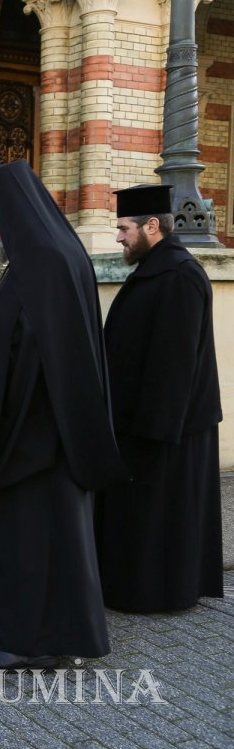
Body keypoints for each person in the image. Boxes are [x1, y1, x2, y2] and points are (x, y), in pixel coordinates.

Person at [0, 159, 127, 670]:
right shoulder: (57, 253)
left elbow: (33, 349)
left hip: (34, 437)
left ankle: (26, 642)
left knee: (26, 538)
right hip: (50, 430)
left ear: (16, 213)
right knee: (50, 539)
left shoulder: (42, 260)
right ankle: (49, 635)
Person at [94, 184, 223, 613]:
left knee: (159, 516)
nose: (119, 237)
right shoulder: (156, 268)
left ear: (153, 226)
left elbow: (176, 362)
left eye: (124, 228)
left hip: (166, 429)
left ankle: (158, 594)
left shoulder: (180, 276)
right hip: (144, 423)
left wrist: (153, 436)